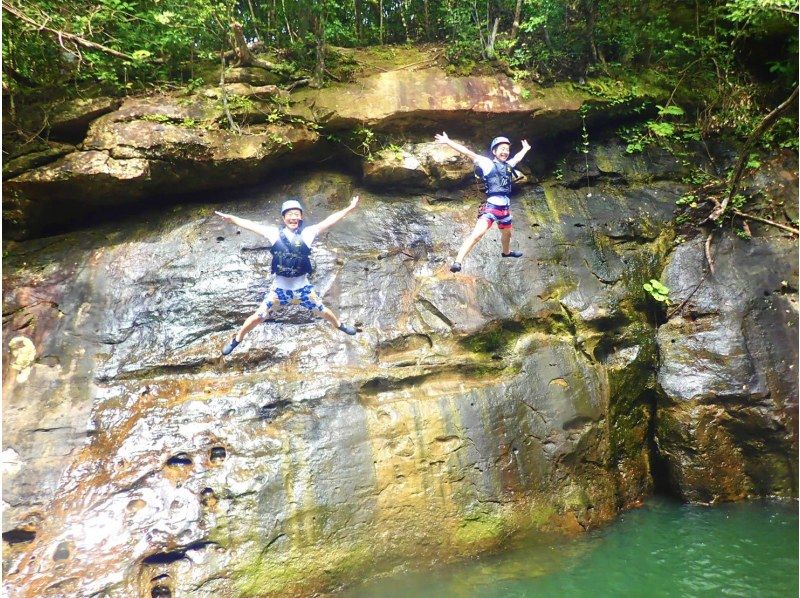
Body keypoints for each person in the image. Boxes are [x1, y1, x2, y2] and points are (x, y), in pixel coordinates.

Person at [215, 196, 360, 355]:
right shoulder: (273, 233)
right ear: (284, 218)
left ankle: (340, 325)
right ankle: (237, 339)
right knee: (259, 316)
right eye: (289, 214)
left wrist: (349, 208)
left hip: (303, 289)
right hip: (280, 291)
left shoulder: (308, 233)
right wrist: (232, 219)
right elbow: (251, 225)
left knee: (323, 310)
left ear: (301, 217)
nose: (293, 217)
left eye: (296, 214)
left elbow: (329, 221)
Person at [434, 132, 531, 272]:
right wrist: (448, 141)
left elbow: (517, 158)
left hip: (505, 208)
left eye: (507, 149)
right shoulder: (487, 163)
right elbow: (468, 152)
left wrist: (525, 149)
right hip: (492, 207)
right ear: (494, 151)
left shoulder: (509, 165)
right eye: (502, 149)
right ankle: (458, 261)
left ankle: (506, 252)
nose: (505, 152)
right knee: (477, 234)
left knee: (507, 234)